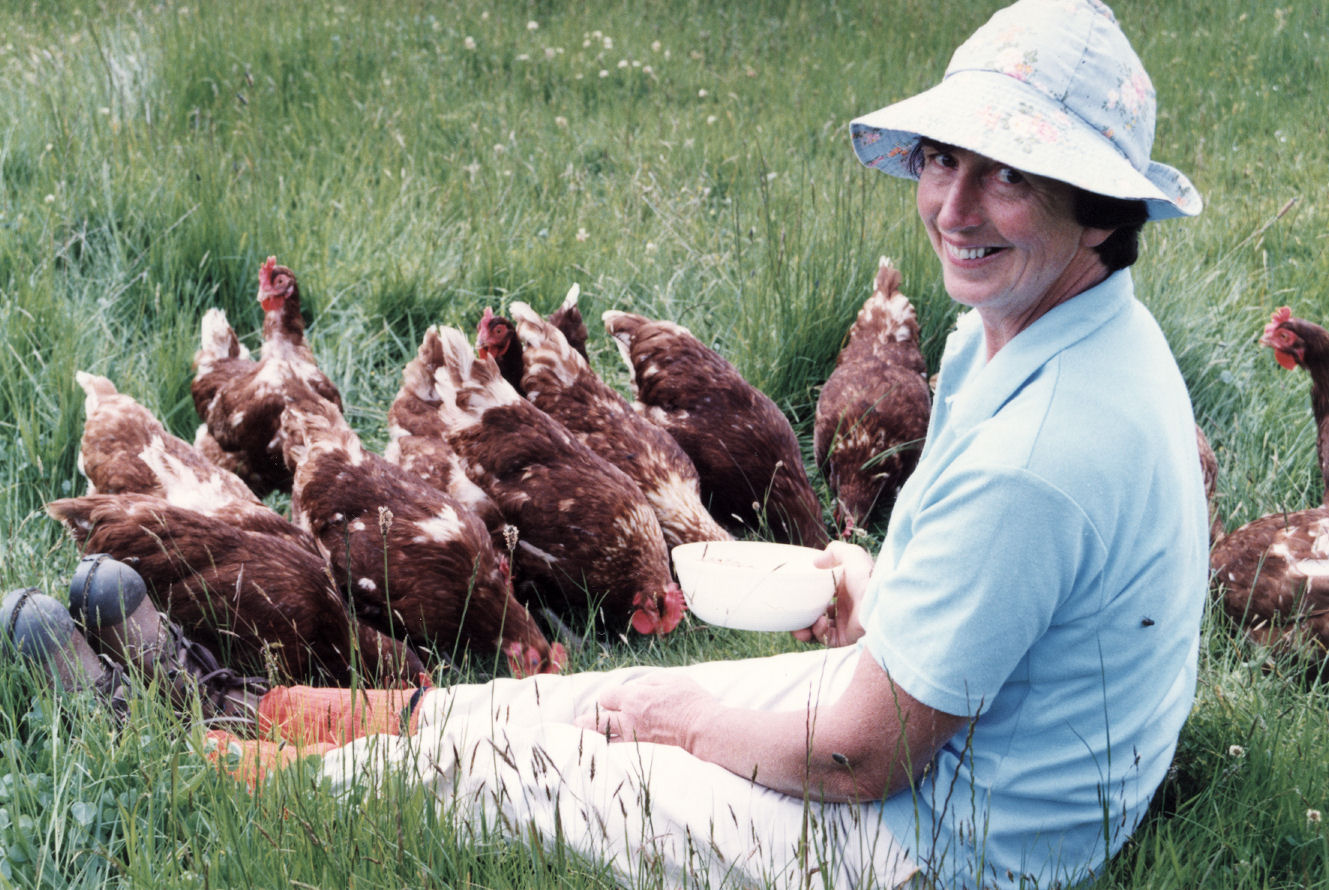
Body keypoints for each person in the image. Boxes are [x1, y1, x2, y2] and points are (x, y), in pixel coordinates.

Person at [8, 1, 1207, 887]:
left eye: (1007, 178)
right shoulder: (1036, 330)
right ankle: (244, 702)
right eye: (947, 160)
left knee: (568, 755)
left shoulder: (1045, 443)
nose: (951, 207)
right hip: (981, 751)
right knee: (598, 693)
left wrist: (679, 725)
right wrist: (867, 581)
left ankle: (194, 759)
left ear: (1099, 208)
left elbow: (859, 756)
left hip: (947, 840)